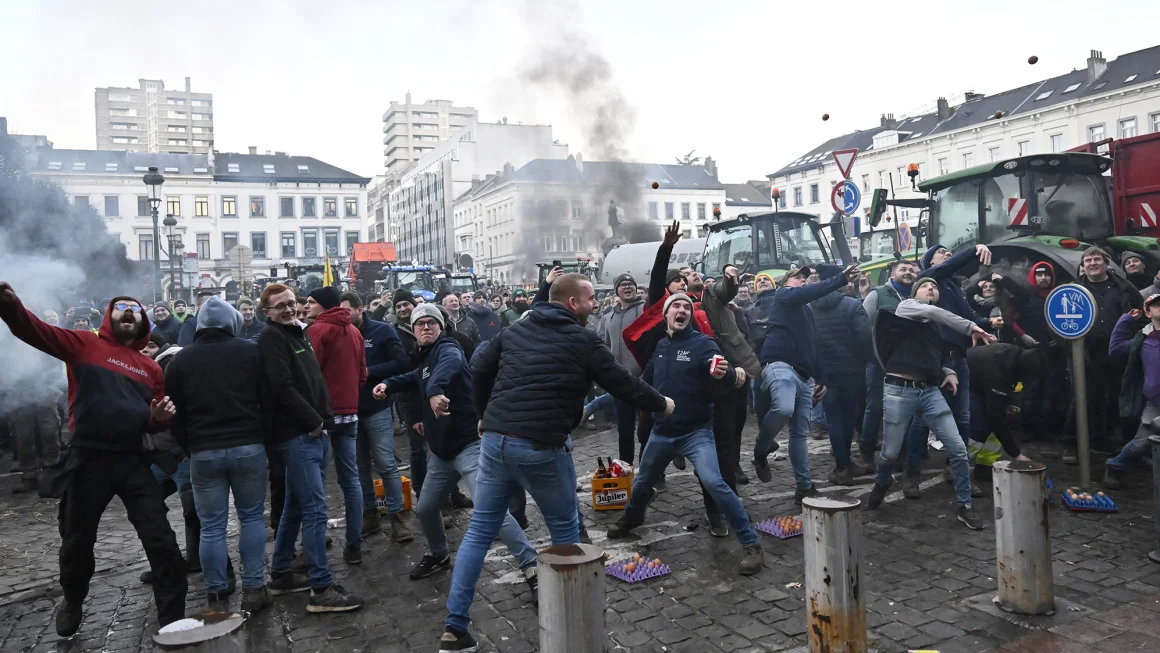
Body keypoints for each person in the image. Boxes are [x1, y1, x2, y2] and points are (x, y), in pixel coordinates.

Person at [438, 273, 672, 652]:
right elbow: (621, 382)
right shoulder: (582, 338)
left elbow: (479, 365)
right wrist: (663, 403)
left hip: (496, 441)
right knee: (565, 531)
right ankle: (573, 627)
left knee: (480, 531)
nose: (595, 304)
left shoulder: (517, 329)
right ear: (571, 304)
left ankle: (454, 629)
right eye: (590, 299)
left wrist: (484, 414)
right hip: (541, 446)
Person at [0, 283, 186, 636]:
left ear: (143, 320)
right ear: (109, 317)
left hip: (133, 461)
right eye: (121, 307)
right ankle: (73, 598)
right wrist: (10, 307)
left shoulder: (151, 368)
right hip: (88, 461)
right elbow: (35, 331)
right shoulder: (84, 344)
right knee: (77, 542)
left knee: (161, 540)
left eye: (135, 308)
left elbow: (150, 418)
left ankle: (173, 620)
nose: (128, 311)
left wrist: (159, 419)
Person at [372, 304, 538, 590]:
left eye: (431, 323)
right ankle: (438, 554)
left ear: (441, 327)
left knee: (489, 511)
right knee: (425, 509)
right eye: (420, 323)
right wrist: (387, 383)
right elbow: (413, 378)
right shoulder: (424, 360)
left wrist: (436, 392)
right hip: (440, 453)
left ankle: (531, 566)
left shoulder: (448, 348)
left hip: (469, 447)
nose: (426, 327)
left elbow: (445, 369)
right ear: (412, 331)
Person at [607, 292, 764, 574]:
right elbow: (645, 383)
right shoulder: (661, 346)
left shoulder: (702, 343)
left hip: (696, 432)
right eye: (675, 306)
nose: (682, 310)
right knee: (642, 482)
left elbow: (722, 371)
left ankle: (751, 544)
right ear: (666, 314)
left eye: (686, 307)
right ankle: (631, 518)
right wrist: (610, 396)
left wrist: (725, 373)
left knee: (716, 484)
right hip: (662, 432)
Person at [258, 283, 363, 612]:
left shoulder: (297, 333)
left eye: (292, 303)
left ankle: (281, 574)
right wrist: (314, 421)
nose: (290, 309)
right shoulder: (271, 339)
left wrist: (324, 420)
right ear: (268, 313)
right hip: (299, 434)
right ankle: (321, 587)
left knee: (294, 506)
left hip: (314, 432)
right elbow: (282, 387)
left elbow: (312, 381)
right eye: (281, 306)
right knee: (316, 510)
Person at [165, 297, 271, 614]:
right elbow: (267, 400)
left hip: (203, 451)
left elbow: (173, 413)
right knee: (251, 516)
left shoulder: (181, 361)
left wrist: (187, 446)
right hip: (248, 446)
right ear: (232, 322)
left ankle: (216, 596)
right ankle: (254, 588)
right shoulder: (251, 352)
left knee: (211, 526)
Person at [866, 277, 995, 529]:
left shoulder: (936, 327)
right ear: (915, 293)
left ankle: (964, 505)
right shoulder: (907, 307)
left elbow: (933, 356)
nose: (932, 288)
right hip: (898, 390)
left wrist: (948, 372)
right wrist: (971, 326)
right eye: (926, 285)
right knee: (890, 452)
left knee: (958, 448)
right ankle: (882, 481)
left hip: (929, 391)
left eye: (935, 286)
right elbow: (932, 311)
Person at [753, 262, 862, 505]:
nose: (803, 281)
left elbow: (814, 345)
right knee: (783, 408)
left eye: (806, 278)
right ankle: (761, 448)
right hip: (780, 363)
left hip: (805, 375)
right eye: (797, 278)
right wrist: (839, 279)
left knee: (800, 434)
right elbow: (807, 292)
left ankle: (804, 487)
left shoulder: (808, 312)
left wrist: (820, 378)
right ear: (786, 284)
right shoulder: (782, 295)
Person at [303, 286, 368, 564]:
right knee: (351, 480)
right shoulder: (354, 331)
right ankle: (354, 544)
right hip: (350, 413)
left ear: (324, 305)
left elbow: (309, 374)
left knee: (315, 484)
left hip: (324, 418)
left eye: (310, 302)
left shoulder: (316, 331)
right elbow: (363, 374)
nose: (306, 307)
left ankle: (313, 551)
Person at [341, 292, 413, 542]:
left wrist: (370, 372)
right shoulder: (340, 333)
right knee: (359, 467)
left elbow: (401, 362)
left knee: (385, 463)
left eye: (346, 311)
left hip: (377, 408)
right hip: (349, 411)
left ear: (360, 309)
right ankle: (370, 515)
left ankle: (396, 517)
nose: (343, 317)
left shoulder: (382, 331)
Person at [696, 264, 760, 533]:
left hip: (732, 375)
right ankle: (715, 507)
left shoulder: (709, 297)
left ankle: (731, 493)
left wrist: (729, 275)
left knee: (730, 436)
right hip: (699, 386)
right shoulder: (676, 307)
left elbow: (725, 289)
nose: (691, 277)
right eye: (680, 277)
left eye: (692, 274)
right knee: (705, 446)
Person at [1064, 247, 1142, 463]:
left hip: (1117, 352)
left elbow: (1142, 313)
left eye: (1096, 259)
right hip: (1084, 352)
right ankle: (1071, 444)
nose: (1092, 263)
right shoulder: (1073, 289)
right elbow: (1060, 322)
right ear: (1083, 265)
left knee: (1116, 398)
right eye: (1088, 260)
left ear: (1106, 263)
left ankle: (1108, 442)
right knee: (1080, 398)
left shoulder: (1125, 288)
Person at [811, 277, 873, 485]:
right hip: (851, 370)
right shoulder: (852, 304)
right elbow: (865, 337)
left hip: (824, 373)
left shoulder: (810, 308)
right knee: (848, 418)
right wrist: (862, 360)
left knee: (834, 419)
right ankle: (844, 465)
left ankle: (843, 465)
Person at [859, 259, 916, 473]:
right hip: (879, 364)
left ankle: (901, 454)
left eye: (911, 269)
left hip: (908, 365)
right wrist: (872, 356)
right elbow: (864, 327)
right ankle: (867, 454)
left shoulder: (918, 295)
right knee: (874, 408)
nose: (908, 272)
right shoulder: (878, 295)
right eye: (903, 269)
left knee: (905, 410)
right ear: (893, 275)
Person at [1105, 296, 1160, 488]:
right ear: (1147, 312)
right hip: (1155, 403)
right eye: (1156, 305)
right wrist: (1126, 320)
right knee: (1140, 443)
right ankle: (1114, 467)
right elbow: (1116, 348)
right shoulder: (1143, 339)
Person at [965, 342, 1042, 468]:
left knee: (998, 421)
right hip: (962, 380)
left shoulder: (1018, 356)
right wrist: (1016, 454)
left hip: (981, 380)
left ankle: (986, 465)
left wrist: (1009, 404)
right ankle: (954, 464)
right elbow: (994, 416)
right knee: (980, 426)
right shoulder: (999, 371)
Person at [596, 272, 647, 464]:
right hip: (621, 383)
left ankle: (652, 470)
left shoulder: (645, 310)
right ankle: (626, 467)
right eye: (623, 284)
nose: (627, 287)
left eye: (630, 284)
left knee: (646, 428)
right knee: (624, 430)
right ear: (616, 290)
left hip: (644, 380)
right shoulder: (608, 317)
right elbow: (607, 349)